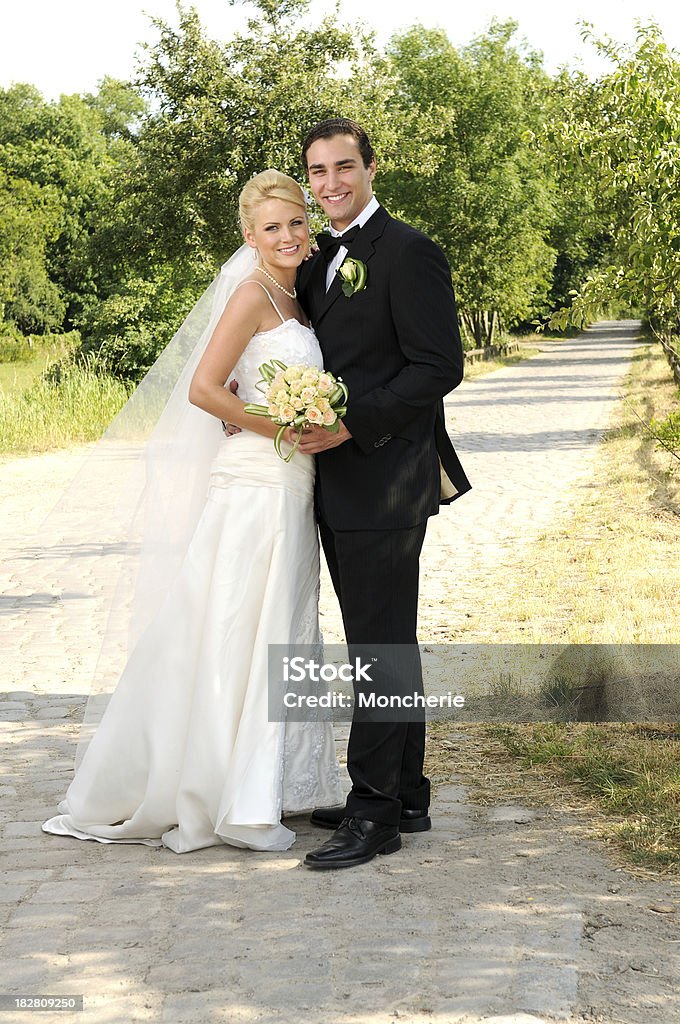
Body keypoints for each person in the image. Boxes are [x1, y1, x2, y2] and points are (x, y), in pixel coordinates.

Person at [42, 169, 342, 854]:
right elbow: (207, 391)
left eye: (296, 221)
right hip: (255, 483)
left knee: (282, 627)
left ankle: (271, 783)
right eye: (272, 227)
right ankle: (227, 795)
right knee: (235, 624)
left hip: (292, 484)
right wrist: (283, 425)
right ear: (250, 237)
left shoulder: (299, 301)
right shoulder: (251, 295)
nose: (289, 235)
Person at [295, 118, 471, 870]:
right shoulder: (314, 258)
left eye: (343, 168)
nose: (329, 183)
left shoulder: (408, 250)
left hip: (388, 476)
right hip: (337, 480)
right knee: (387, 636)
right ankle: (404, 791)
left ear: (372, 168)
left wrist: (349, 425)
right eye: (317, 170)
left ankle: (374, 815)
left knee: (377, 643)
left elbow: (439, 366)